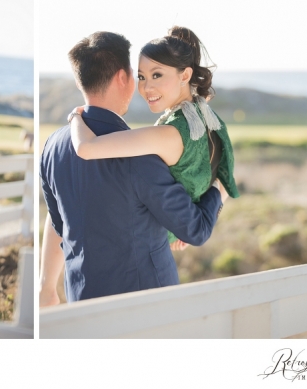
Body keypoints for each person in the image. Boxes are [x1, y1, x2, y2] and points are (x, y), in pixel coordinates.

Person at [39, 31, 225, 306]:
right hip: (146, 305)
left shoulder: (52, 146)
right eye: (138, 75)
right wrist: (219, 190)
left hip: (79, 299)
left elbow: (59, 223)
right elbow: (194, 229)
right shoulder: (143, 157)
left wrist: (46, 285)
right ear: (123, 77)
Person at [69, 26, 239, 250]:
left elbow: (86, 148)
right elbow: (224, 179)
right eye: (141, 77)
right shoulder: (208, 116)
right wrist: (197, 218)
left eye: (157, 75)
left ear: (185, 75)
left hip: (147, 250)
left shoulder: (168, 134)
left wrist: (75, 118)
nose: (147, 87)